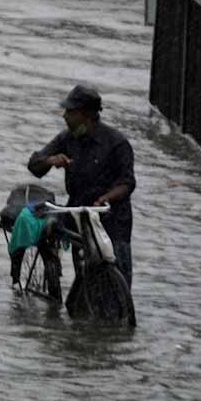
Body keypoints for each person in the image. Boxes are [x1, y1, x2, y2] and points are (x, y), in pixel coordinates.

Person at [27, 85, 136, 287]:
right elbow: (34, 164)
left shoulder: (117, 143)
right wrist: (51, 161)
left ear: (86, 115)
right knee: (86, 277)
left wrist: (106, 198)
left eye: (70, 112)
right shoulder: (67, 139)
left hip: (113, 218)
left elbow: (127, 183)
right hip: (80, 215)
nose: (65, 116)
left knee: (119, 280)